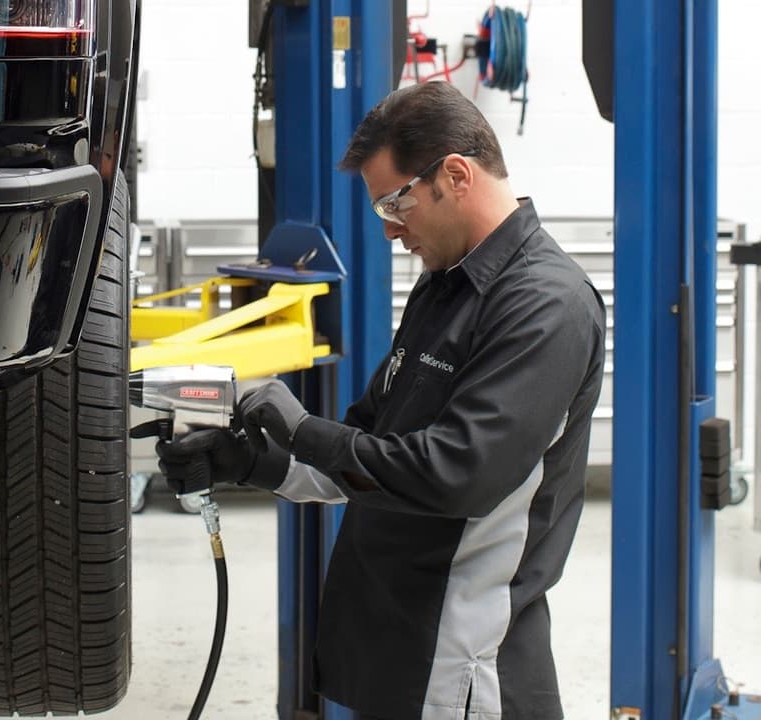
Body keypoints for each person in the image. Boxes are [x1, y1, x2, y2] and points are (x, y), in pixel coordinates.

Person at [156, 81, 606, 720]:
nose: (392, 231)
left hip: (464, 671)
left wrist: (302, 427)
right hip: (397, 648)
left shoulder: (546, 305)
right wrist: (251, 462)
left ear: (454, 175)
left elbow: (456, 476)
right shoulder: (445, 286)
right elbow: (373, 447)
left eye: (396, 204)